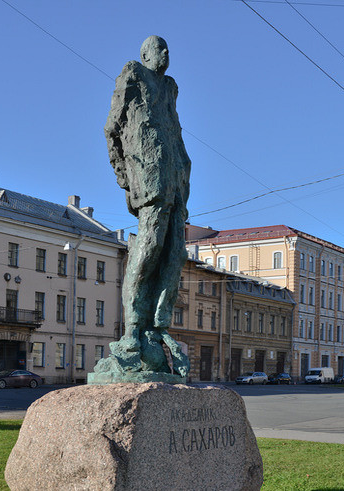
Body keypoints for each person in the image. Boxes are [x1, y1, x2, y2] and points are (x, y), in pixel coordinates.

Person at [103, 35, 190, 376]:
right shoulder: (134, 73)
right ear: (146, 53)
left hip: (176, 179)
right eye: (161, 48)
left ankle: (158, 326)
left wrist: (184, 169)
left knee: (175, 252)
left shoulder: (170, 87)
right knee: (150, 245)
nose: (167, 54)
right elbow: (111, 129)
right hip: (148, 175)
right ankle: (133, 332)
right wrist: (125, 175)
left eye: (169, 49)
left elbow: (176, 132)